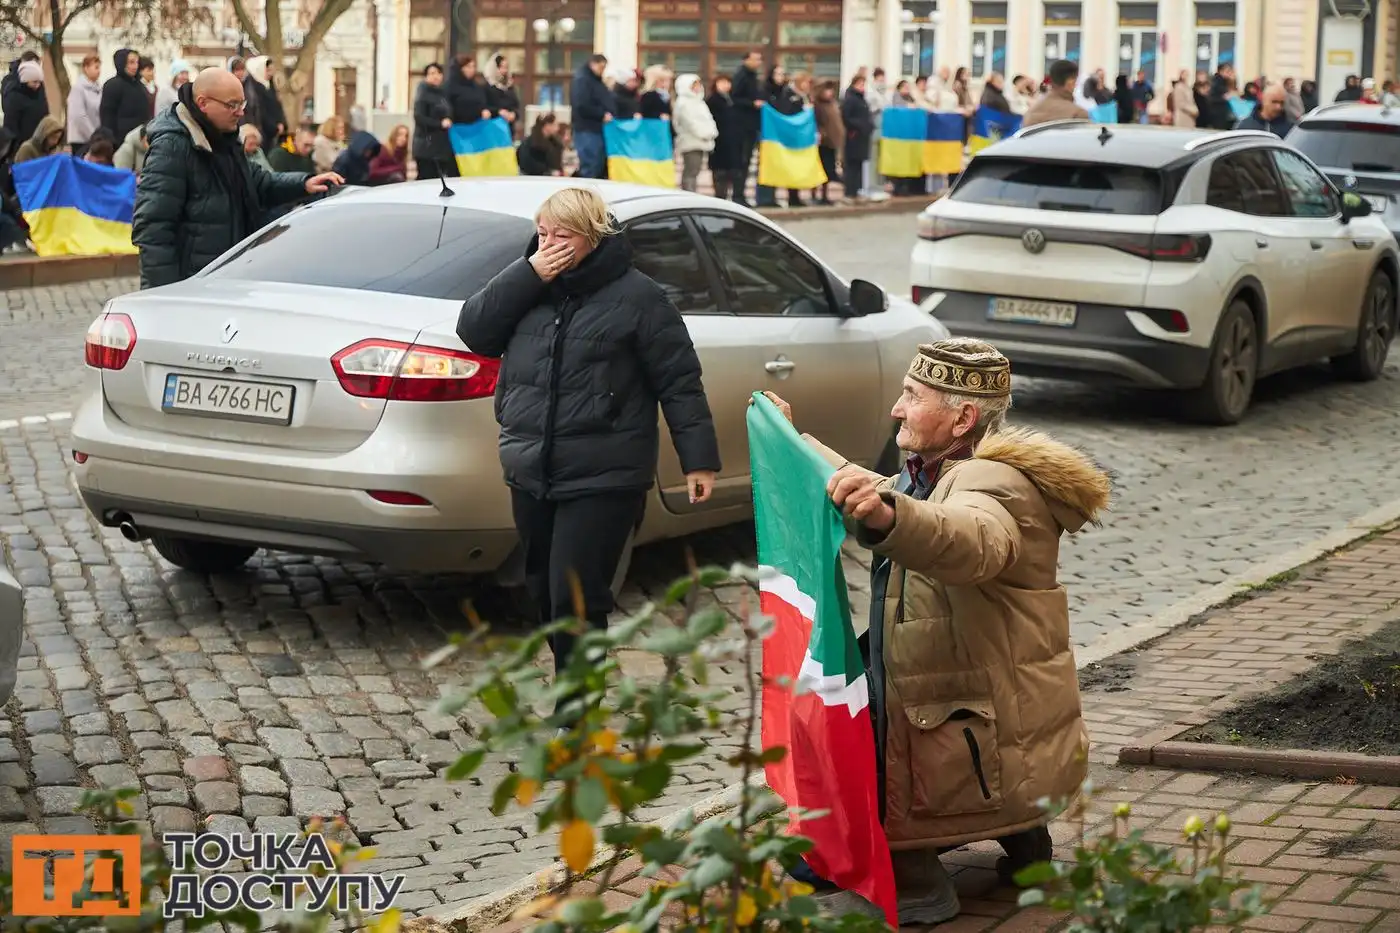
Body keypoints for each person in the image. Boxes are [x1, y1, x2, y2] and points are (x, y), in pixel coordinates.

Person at [764, 338, 1106, 923]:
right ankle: (1028, 844)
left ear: (962, 417)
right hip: (997, 709)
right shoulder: (936, 471)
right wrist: (792, 443)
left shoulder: (992, 484)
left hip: (963, 718)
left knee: (871, 750)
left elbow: (966, 537)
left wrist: (885, 515)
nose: (897, 408)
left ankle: (915, 882)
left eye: (911, 396)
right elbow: (878, 487)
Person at [455, 187, 720, 701]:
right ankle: (575, 687)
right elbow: (475, 331)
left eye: (563, 235)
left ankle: (576, 708)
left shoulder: (640, 297)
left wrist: (699, 461)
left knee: (578, 594)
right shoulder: (530, 284)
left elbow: (679, 381)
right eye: (543, 233)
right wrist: (529, 273)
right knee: (544, 591)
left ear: (593, 237)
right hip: (532, 463)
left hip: (606, 470)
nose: (550, 244)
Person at [132, 67, 342, 290]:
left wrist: (304, 183)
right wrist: (165, 294)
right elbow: (153, 228)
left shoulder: (223, 138)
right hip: (194, 285)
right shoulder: (172, 146)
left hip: (227, 276)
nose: (240, 112)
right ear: (203, 103)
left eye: (242, 104)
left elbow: (257, 182)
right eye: (232, 105)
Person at [760, 64, 806, 208]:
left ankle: (793, 197)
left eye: (782, 74)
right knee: (770, 164)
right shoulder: (766, 91)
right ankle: (766, 198)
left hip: (786, 134)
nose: (780, 77)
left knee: (790, 165)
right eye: (777, 74)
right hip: (770, 136)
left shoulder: (787, 92)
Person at [569, 55, 616, 179]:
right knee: (591, 165)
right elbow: (582, 105)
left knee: (598, 165)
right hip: (587, 129)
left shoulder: (595, 81)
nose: (603, 71)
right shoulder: (583, 80)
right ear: (593, 64)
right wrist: (601, 114)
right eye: (601, 67)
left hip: (597, 129)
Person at [730, 50, 765, 207]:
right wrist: (752, 103)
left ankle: (741, 194)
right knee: (742, 161)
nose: (758, 62)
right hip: (742, 125)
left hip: (751, 125)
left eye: (759, 59)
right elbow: (735, 97)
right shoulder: (741, 76)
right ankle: (737, 195)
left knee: (747, 161)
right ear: (746, 60)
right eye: (755, 59)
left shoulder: (753, 76)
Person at [671, 74, 716, 192]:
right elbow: (689, 123)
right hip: (690, 141)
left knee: (695, 171)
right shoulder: (683, 103)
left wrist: (711, 132)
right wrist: (704, 133)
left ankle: (692, 192)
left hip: (702, 141)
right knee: (691, 170)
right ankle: (688, 194)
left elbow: (708, 119)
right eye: (694, 85)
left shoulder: (699, 102)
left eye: (698, 85)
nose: (698, 88)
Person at [412, 63, 454, 179]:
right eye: (432, 73)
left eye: (438, 73)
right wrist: (440, 124)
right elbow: (419, 117)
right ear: (426, 76)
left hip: (441, 146)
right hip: (426, 146)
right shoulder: (423, 93)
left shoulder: (443, 94)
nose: (436, 76)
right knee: (426, 178)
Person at [102, 49, 149, 143]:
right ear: (121, 63)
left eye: (137, 62)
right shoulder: (112, 85)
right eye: (131, 62)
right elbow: (107, 117)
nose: (135, 66)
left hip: (141, 139)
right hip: (121, 140)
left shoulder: (140, 86)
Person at [1023, 59, 1087, 127]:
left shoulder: (1031, 112)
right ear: (1071, 82)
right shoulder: (1077, 114)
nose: (1076, 84)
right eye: (1076, 80)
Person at [840, 74, 873, 203]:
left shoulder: (861, 99)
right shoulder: (850, 99)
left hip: (862, 136)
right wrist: (859, 125)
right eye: (860, 84)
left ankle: (856, 191)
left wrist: (869, 125)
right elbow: (846, 117)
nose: (862, 87)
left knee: (858, 165)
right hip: (853, 136)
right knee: (851, 166)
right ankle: (849, 192)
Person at [2, 60, 48, 151]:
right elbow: (10, 127)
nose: (37, 85)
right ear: (25, 80)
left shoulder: (40, 94)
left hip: (39, 145)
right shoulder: (14, 97)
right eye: (34, 82)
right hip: (20, 147)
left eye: (39, 82)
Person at [244, 56, 287, 152]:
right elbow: (259, 111)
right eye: (267, 70)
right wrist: (274, 127)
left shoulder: (269, 86)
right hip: (261, 132)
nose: (271, 73)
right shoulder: (252, 88)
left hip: (272, 133)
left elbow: (276, 106)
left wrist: (281, 123)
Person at [813, 80, 843, 206]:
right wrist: (822, 133)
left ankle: (825, 195)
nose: (830, 92)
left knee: (829, 170)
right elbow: (817, 122)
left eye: (831, 90)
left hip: (832, 142)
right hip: (822, 142)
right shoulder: (817, 105)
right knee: (819, 170)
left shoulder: (833, 104)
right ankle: (815, 195)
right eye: (827, 89)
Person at [67, 55, 104, 157]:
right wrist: (93, 135)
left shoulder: (98, 89)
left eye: (99, 67)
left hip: (96, 139)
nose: (99, 71)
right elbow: (79, 116)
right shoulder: (78, 89)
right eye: (96, 67)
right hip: (81, 140)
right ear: (86, 68)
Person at [448, 54, 493, 126]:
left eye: (473, 67)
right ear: (460, 68)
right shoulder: (451, 87)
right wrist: (478, 113)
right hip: (459, 127)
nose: (472, 70)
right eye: (468, 67)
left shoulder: (477, 86)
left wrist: (485, 110)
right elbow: (454, 109)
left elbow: (483, 103)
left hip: (478, 127)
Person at [488, 55, 521, 132]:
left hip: (508, 128)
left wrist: (514, 114)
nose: (504, 70)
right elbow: (485, 106)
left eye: (506, 67)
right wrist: (499, 111)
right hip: (492, 128)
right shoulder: (488, 86)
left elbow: (516, 106)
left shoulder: (509, 87)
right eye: (501, 67)